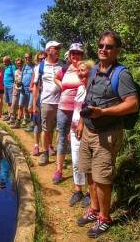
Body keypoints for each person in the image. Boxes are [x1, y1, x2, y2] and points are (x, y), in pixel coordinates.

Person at [75, 31, 139, 238]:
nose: (104, 49)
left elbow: (132, 103)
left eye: (109, 46)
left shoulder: (122, 74)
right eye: (101, 45)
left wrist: (103, 112)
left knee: (102, 177)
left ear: (117, 50)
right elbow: (89, 98)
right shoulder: (93, 70)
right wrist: (82, 123)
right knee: (89, 173)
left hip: (108, 133)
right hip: (89, 130)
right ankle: (94, 210)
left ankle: (105, 217)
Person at [52, 43, 84, 184]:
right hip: (63, 108)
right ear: (69, 55)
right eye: (73, 53)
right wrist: (62, 86)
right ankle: (59, 170)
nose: (75, 56)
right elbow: (56, 78)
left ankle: (79, 174)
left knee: (78, 140)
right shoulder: (65, 69)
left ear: (82, 55)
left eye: (78, 53)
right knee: (62, 139)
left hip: (79, 111)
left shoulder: (84, 69)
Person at [68, 59, 94, 207]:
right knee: (76, 160)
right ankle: (78, 190)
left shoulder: (93, 89)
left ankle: (90, 193)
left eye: (83, 70)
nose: (80, 73)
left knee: (88, 163)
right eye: (78, 70)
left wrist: (81, 126)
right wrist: (70, 129)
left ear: (91, 71)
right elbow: (76, 110)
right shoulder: (79, 89)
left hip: (87, 130)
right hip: (74, 129)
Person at [32, 41, 63, 166]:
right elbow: (36, 87)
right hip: (46, 102)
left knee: (57, 129)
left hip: (61, 103)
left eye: (59, 48)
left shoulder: (63, 65)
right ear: (48, 50)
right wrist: (34, 104)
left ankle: (53, 149)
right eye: (55, 48)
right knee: (46, 129)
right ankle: (45, 153)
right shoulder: (39, 67)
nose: (58, 50)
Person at [18, 53, 34, 128]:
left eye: (28, 57)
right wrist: (20, 82)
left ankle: (30, 121)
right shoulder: (24, 67)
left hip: (31, 90)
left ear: (31, 58)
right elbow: (22, 76)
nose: (27, 59)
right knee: (21, 105)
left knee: (30, 106)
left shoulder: (34, 67)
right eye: (26, 58)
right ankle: (21, 120)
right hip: (23, 89)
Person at [9, 58, 23, 128]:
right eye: (17, 64)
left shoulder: (24, 71)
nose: (19, 65)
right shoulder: (15, 71)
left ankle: (19, 120)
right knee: (13, 104)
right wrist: (14, 87)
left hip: (22, 91)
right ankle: (12, 118)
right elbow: (15, 81)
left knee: (20, 106)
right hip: (16, 89)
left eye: (20, 63)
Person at [2, 56, 16, 121]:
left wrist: (13, 85)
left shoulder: (12, 67)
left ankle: (12, 116)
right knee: (8, 101)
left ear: (8, 61)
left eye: (4, 62)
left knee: (11, 102)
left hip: (10, 87)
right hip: (5, 86)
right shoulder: (6, 67)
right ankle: (9, 114)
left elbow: (15, 77)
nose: (3, 63)